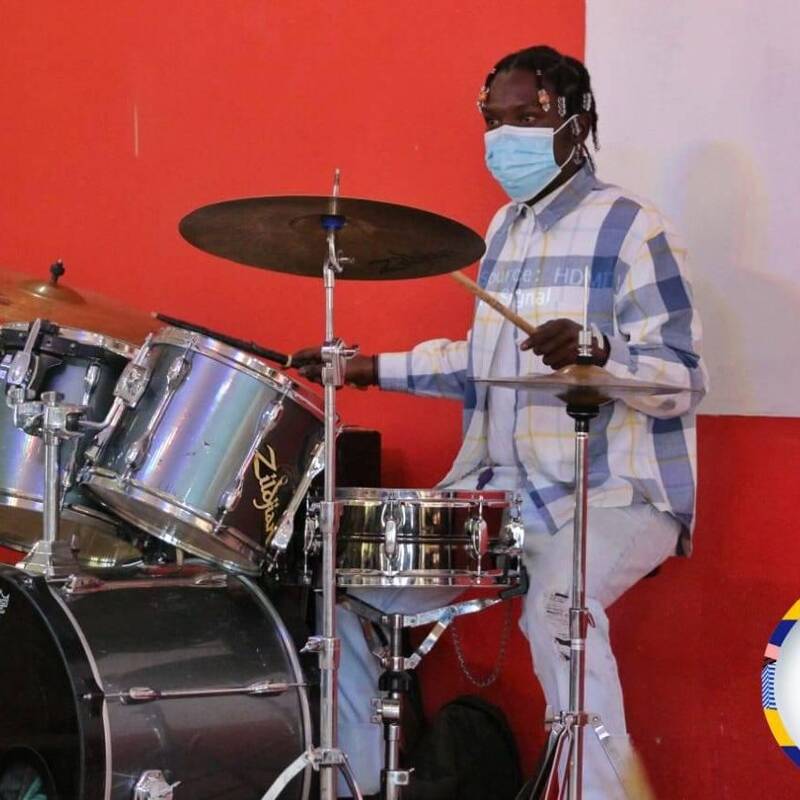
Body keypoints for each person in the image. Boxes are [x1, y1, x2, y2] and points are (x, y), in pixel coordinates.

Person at [294, 44, 706, 799]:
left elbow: (683, 377)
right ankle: (357, 780)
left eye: (527, 118)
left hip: (611, 492)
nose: (504, 136)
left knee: (557, 608)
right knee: (342, 587)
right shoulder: (505, 230)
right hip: (502, 497)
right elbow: (483, 360)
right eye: (494, 120)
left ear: (576, 123)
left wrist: (598, 351)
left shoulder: (633, 227)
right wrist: (369, 367)